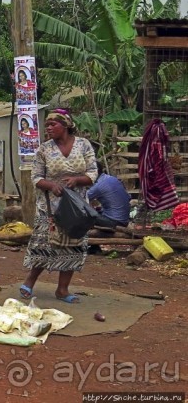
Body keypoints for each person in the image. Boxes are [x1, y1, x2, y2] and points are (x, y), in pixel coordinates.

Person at [21, 110, 97, 304]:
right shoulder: (44, 149)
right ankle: (29, 282)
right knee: (44, 244)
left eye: (53, 124)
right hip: (50, 207)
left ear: (66, 125)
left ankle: (62, 290)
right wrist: (52, 185)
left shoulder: (83, 145)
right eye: (47, 125)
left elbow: (93, 173)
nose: (48, 128)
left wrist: (77, 180)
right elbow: (36, 177)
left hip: (77, 207)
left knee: (73, 247)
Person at [88, 162, 131, 228]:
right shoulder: (112, 178)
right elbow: (128, 197)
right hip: (124, 221)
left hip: (114, 222)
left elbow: (81, 199)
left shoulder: (98, 186)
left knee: (84, 216)